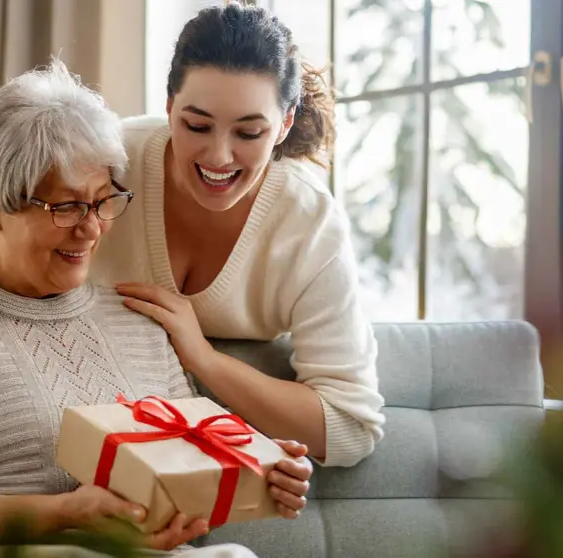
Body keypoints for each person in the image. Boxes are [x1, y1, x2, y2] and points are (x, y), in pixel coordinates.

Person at [0, 61, 299, 558]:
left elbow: (183, 491)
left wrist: (257, 472)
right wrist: (66, 514)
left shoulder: (140, 319)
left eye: (103, 200)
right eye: (64, 207)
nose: (90, 229)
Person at [91, 2, 386, 478]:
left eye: (249, 132)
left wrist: (205, 359)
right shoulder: (108, 162)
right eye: (196, 125)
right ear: (169, 107)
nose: (219, 156)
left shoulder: (307, 221)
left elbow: (350, 427)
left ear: (285, 124)